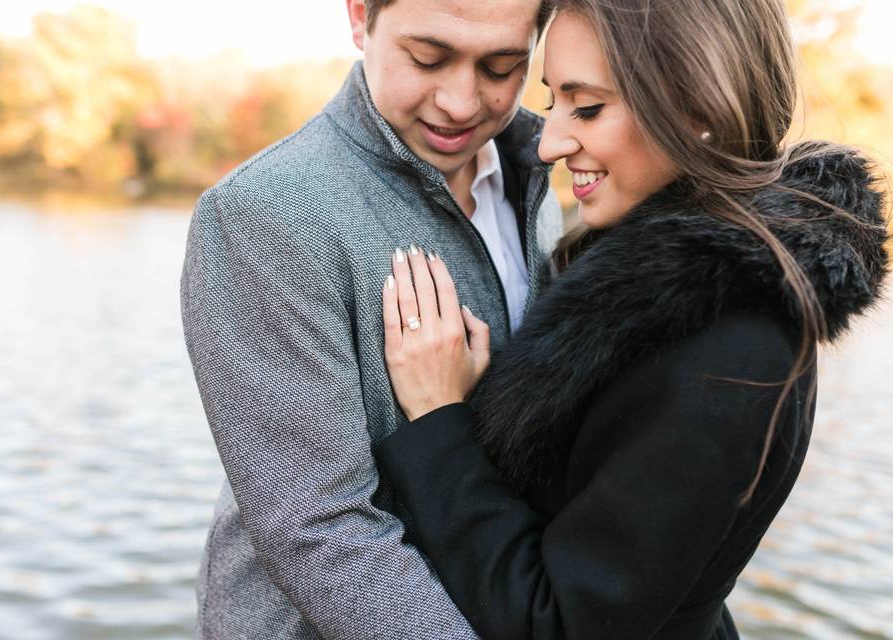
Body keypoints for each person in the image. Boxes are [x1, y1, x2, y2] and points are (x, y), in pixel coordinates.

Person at [374, 0, 890, 638]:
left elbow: (560, 625)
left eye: (586, 107)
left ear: (698, 110)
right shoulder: (650, 281)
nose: (549, 143)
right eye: (552, 100)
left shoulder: (731, 350)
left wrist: (438, 421)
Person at [179, 0, 562, 637]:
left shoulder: (560, 168)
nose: (462, 102)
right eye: (429, 59)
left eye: (502, 67)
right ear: (361, 17)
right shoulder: (267, 214)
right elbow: (321, 530)